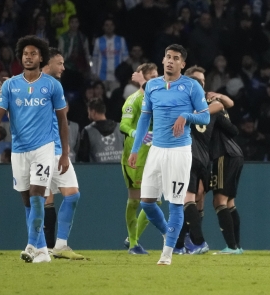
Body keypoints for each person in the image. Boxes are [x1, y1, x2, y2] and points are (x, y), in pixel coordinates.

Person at [0, 35, 70, 263]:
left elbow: (63, 121)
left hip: (44, 148)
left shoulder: (52, 85)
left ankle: (31, 245)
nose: (29, 57)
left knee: (36, 195)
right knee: (26, 200)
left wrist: (65, 153)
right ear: (20, 57)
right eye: (25, 54)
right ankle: (42, 250)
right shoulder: (11, 84)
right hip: (19, 150)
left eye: (33, 53)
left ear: (41, 57)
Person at [128, 44, 210, 265]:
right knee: (146, 202)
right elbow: (145, 118)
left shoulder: (191, 86)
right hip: (156, 150)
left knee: (175, 203)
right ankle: (168, 233)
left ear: (182, 64)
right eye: (168, 57)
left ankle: (167, 254)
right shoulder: (152, 86)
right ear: (163, 60)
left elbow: (205, 117)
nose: (171, 61)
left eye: (176, 58)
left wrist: (186, 115)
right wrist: (135, 149)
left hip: (179, 151)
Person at [173, 65, 234, 255]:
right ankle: (180, 244)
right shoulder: (207, 104)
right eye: (198, 80)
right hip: (202, 157)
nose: (201, 83)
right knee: (194, 198)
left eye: (202, 81)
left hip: (188, 154)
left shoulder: (185, 101)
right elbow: (225, 104)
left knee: (184, 199)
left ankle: (197, 242)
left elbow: (225, 103)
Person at [41, 47, 84, 260]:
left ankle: (49, 246)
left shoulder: (36, 85)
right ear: (47, 64)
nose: (63, 67)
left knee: (44, 199)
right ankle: (55, 245)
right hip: (52, 151)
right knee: (70, 194)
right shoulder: (50, 85)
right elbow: (62, 118)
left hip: (45, 150)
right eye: (60, 63)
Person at [119, 63, 159, 255]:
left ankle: (131, 239)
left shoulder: (158, 99)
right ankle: (133, 243)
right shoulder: (133, 100)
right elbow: (124, 125)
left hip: (154, 155)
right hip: (135, 156)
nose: (155, 79)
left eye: (156, 76)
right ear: (142, 79)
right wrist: (137, 133)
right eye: (151, 77)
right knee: (135, 201)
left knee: (155, 202)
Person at [209, 93, 245, 254]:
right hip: (236, 153)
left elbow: (233, 130)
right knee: (230, 202)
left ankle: (231, 247)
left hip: (224, 154)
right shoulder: (217, 104)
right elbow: (230, 103)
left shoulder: (210, 108)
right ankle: (236, 246)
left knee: (219, 201)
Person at [78, 98, 124, 163]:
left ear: (93, 112)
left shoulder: (88, 131)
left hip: (97, 171)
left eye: (89, 112)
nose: (88, 116)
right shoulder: (120, 127)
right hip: (119, 170)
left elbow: (83, 157)